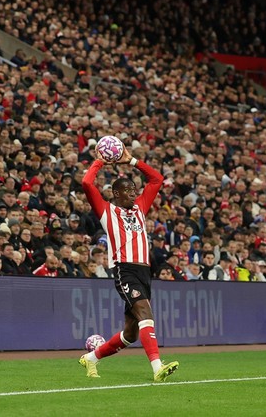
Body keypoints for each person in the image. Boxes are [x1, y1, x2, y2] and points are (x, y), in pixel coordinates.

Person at [78, 144, 178, 382]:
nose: (134, 193)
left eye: (134, 189)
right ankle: (157, 368)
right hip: (125, 270)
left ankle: (91, 358)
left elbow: (157, 179)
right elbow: (86, 183)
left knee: (131, 333)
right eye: (128, 190)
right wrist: (99, 161)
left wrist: (132, 161)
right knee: (146, 313)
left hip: (144, 271)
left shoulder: (140, 208)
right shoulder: (107, 212)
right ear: (116, 193)